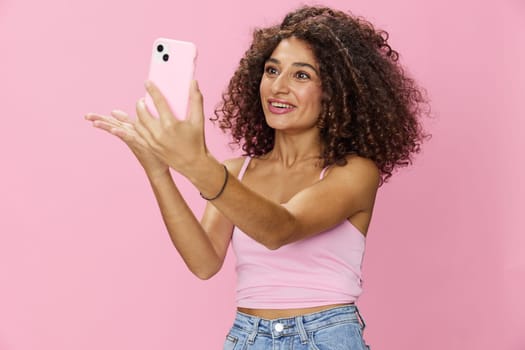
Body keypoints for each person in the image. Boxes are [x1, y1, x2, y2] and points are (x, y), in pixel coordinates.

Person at [85, 5, 427, 350]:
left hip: (324, 337)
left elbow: (280, 228)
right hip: (247, 337)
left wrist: (197, 163)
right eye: (272, 70)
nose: (279, 87)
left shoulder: (353, 172)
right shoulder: (237, 173)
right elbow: (203, 262)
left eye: (302, 75)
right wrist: (159, 171)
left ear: (335, 92)